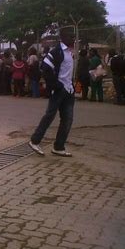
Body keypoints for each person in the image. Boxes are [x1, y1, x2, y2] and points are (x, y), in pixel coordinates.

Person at [29, 26, 76, 157]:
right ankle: (34, 141)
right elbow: (45, 68)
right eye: (70, 36)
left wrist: (69, 86)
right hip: (59, 90)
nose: (73, 38)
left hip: (69, 91)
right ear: (63, 38)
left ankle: (59, 147)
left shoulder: (70, 52)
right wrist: (56, 86)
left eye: (74, 36)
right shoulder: (56, 52)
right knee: (50, 116)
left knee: (67, 119)